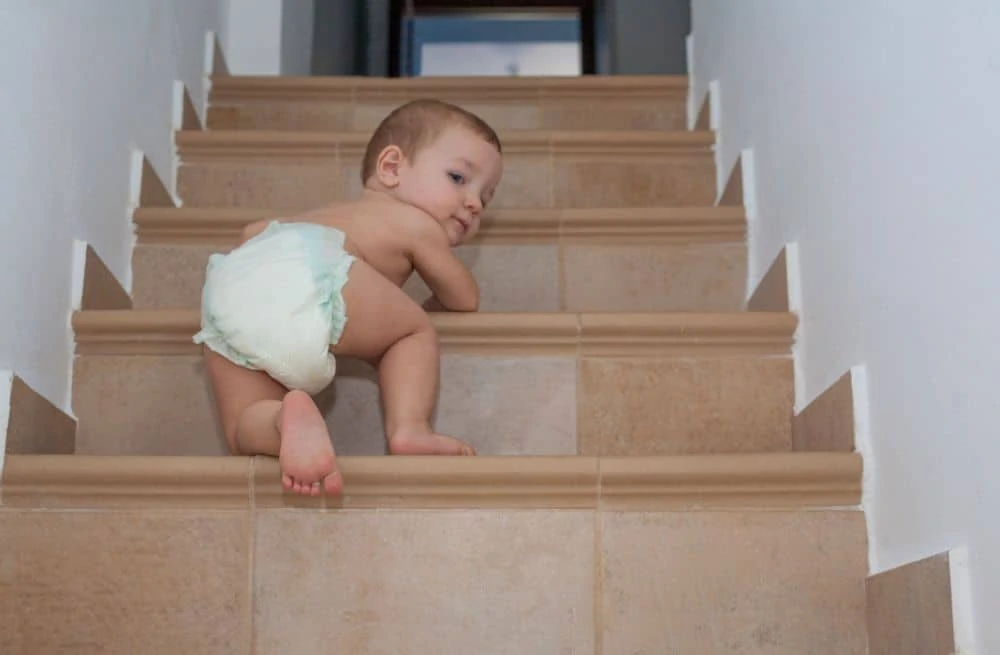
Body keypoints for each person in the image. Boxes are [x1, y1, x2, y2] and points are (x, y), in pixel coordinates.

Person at [193, 99, 504, 498]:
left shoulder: (324, 216)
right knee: (410, 332)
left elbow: (253, 235)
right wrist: (419, 311)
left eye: (486, 198)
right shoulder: (414, 223)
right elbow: (463, 297)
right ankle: (410, 429)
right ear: (391, 168)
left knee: (241, 427)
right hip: (316, 271)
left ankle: (280, 421)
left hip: (236, 280)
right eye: (459, 178)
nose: (474, 203)